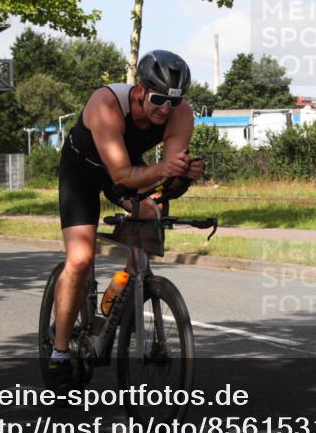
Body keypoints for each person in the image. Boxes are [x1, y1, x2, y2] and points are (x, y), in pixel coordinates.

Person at [50, 50, 205, 391]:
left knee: (150, 212)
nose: (165, 109)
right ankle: (59, 354)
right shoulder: (105, 105)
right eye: (158, 99)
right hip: (83, 173)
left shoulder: (181, 115)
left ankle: (121, 292)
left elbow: (167, 186)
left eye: (173, 102)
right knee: (79, 259)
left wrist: (184, 176)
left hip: (127, 170)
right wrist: (165, 169)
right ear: (139, 90)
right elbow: (120, 173)